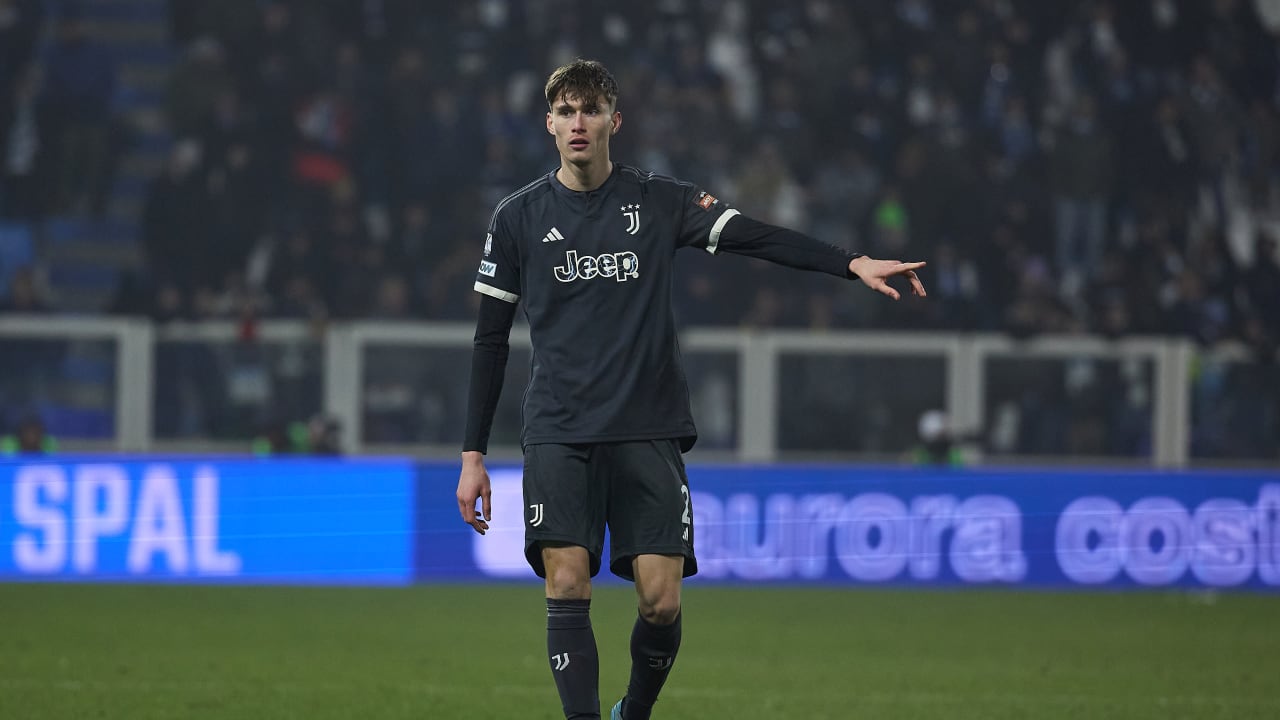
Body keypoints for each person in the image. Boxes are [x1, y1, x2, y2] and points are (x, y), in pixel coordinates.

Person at [455, 59, 926, 720]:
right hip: (560, 428)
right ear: (549, 123)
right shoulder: (517, 218)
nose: (578, 123)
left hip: (646, 425)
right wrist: (473, 455)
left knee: (661, 599)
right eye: (566, 111)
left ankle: (635, 712)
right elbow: (490, 341)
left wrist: (850, 263)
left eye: (591, 110)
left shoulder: (659, 201)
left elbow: (756, 237)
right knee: (567, 580)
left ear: (615, 121)